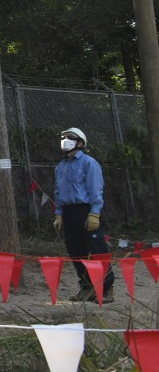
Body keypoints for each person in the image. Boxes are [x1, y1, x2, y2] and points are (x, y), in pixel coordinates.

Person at [53, 127, 114, 303]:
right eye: (63, 137)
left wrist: (94, 213)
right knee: (75, 252)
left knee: (97, 251)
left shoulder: (89, 163)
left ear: (80, 143)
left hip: (86, 210)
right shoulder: (61, 166)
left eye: (69, 137)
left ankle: (107, 288)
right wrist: (59, 214)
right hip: (69, 212)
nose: (65, 140)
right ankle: (87, 288)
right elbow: (58, 192)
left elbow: (96, 190)